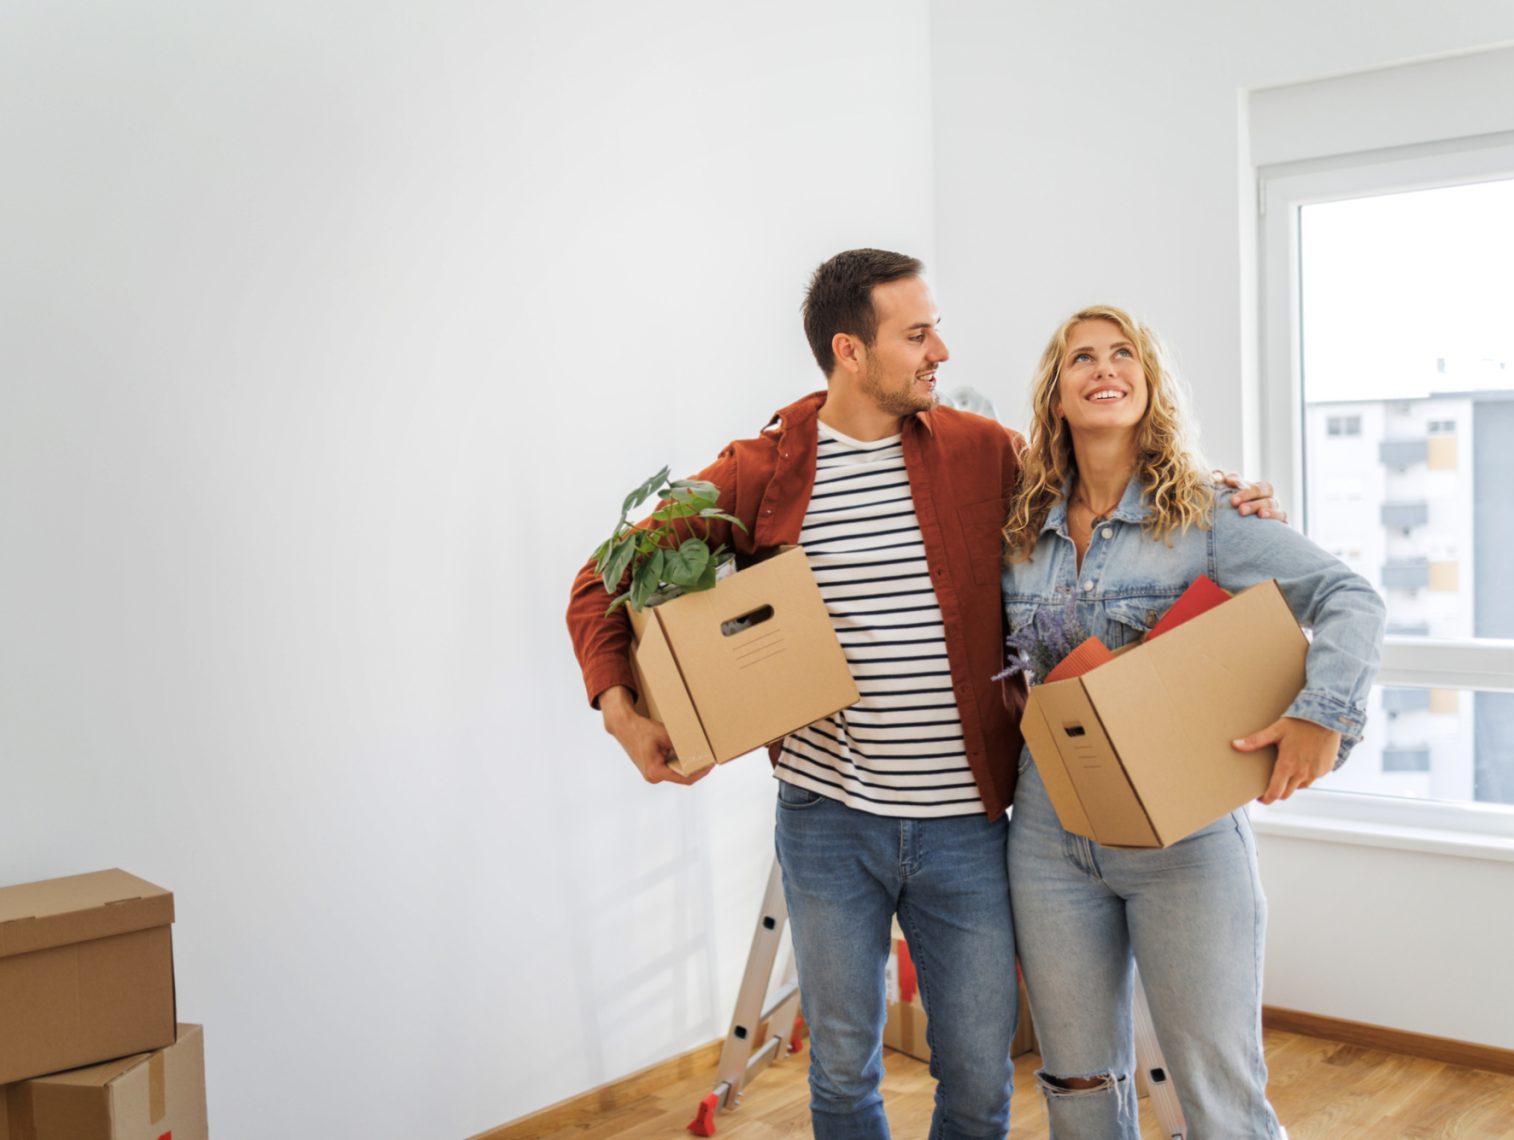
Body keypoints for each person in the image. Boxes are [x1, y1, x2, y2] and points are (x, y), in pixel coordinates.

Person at [566, 253, 1279, 1138]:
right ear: (850, 352)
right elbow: (605, 578)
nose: (941, 348)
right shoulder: (765, 470)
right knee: (839, 1073)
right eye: (916, 334)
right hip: (828, 821)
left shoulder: (985, 456)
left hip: (969, 832)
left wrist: (1226, 503)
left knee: (980, 1082)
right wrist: (622, 713)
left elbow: (1106, 491)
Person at [999, 305, 1385, 1139]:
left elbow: (1350, 598)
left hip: (1188, 841)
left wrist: (1322, 717)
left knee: (1218, 1094)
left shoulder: (1210, 515)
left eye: (1122, 353)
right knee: (1077, 1084)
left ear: (1148, 380)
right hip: (1048, 834)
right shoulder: (1019, 527)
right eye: (1081, 359)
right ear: (1056, 396)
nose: (1104, 368)